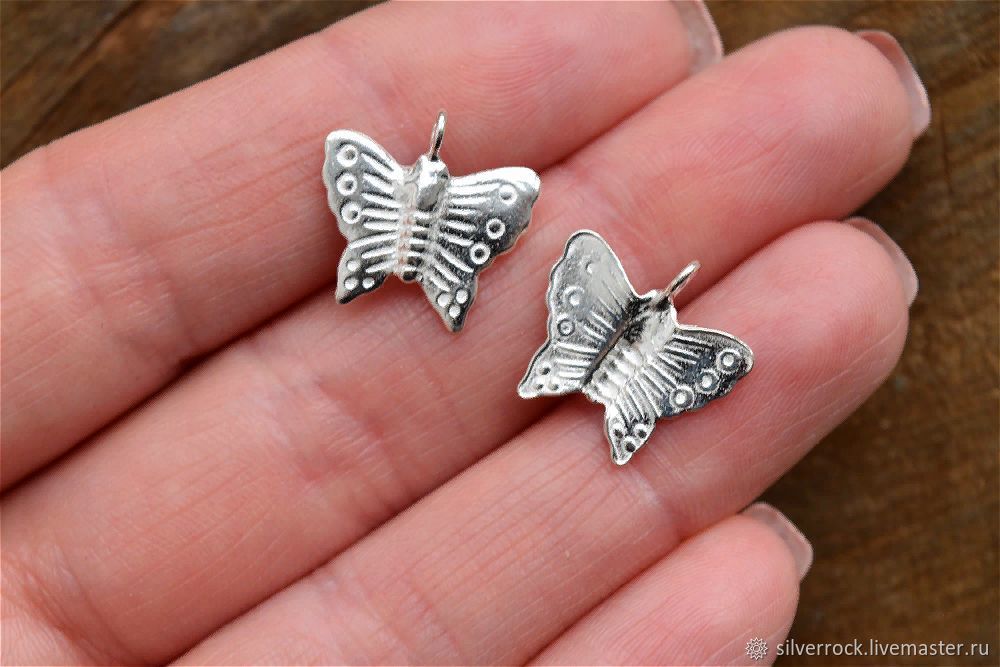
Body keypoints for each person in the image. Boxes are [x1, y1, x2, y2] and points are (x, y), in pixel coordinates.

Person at [1, 2, 927, 664]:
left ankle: (559, 367)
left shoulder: (496, 209)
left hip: (453, 273)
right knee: (516, 333)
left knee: (547, 348)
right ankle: (572, 374)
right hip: (451, 268)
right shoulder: (489, 198)